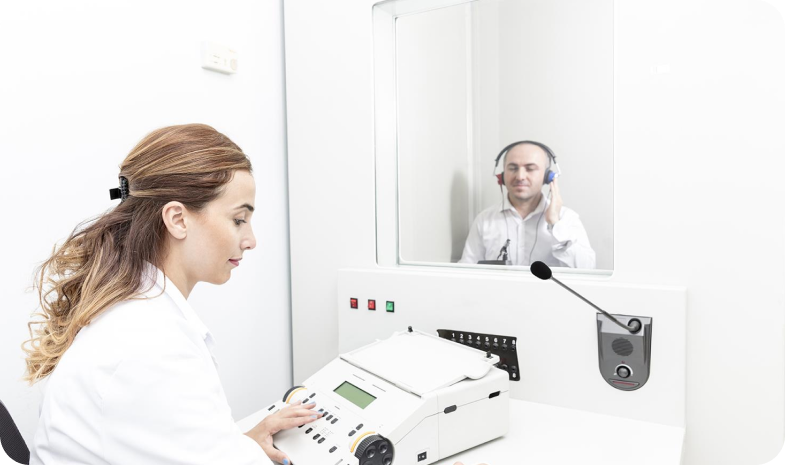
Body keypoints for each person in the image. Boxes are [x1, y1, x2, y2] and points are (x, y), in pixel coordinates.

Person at [23, 123, 485, 465]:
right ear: (178, 219)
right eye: (239, 219)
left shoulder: (133, 314)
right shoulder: (149, 348)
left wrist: (239, 442)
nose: (251, 239)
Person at [459, 141, 595, 268]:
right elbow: (466, 270)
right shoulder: (484, 220)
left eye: (530, 169)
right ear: (501, 176)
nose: (520, 176)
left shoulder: (566, 218)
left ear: (548, 176)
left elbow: (586, 268)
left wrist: (555, 224)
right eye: (513, 168)